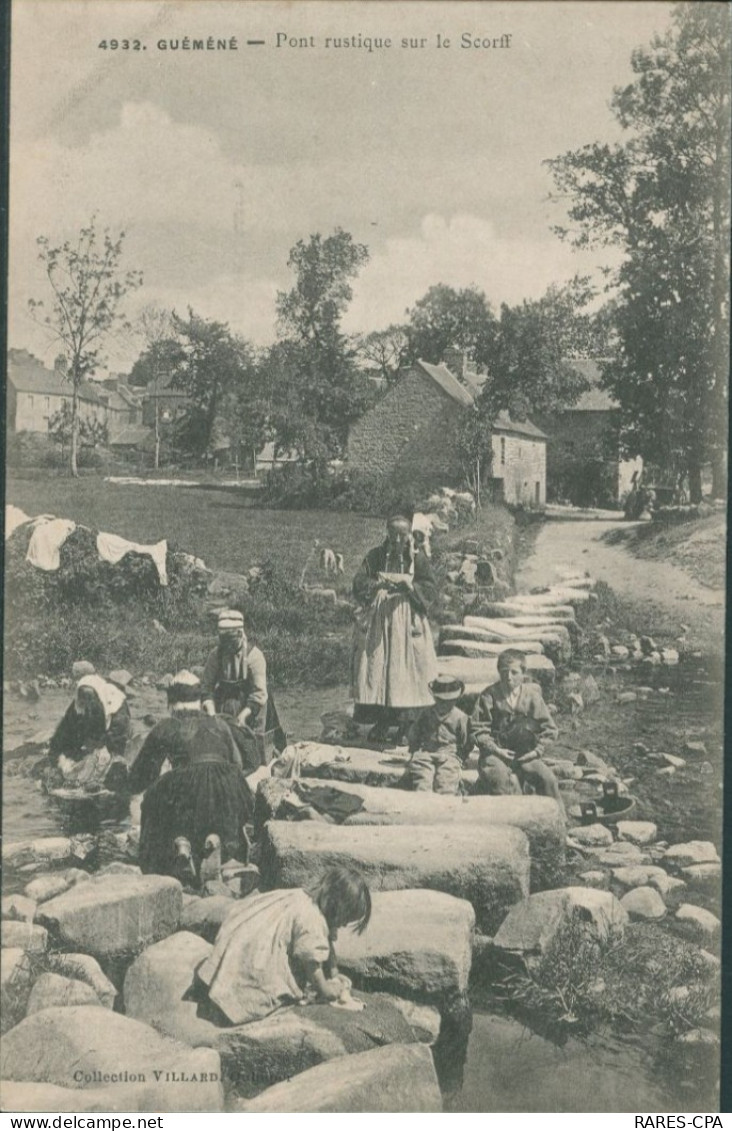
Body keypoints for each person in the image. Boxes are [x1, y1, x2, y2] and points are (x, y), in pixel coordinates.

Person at [197, 866, 372, 1025]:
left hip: (246, 939)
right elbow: (311, 961)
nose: (342, 925)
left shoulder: (307, 898)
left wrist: (334, 973)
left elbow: (328, 942)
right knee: (267, 987)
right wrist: (326, 989)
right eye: (345, 920)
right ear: (335, 907)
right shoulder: (312, 920)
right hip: (259, 957)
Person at [128, 670, 255, 878]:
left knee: (153, 797)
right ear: (199, 701)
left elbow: (143, 776)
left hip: (189, 792)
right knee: (205, 792)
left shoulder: (166, 727)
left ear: (171, 702)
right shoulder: (220, 724)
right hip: (230, 789)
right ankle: (215, 838)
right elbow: (238, 764)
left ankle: (177, 847)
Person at [351, 514, 439, 744]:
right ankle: (383, 720)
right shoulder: (376, 555)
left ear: (409, 535)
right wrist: (376, 584)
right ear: (387, 534)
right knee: (378, 669)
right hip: (380, 619)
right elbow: (359, 582)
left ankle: (406, 723)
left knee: (407, 669)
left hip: (407, 617)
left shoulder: (418, 559)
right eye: (393, 535)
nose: (398, 540)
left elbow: (430, 588)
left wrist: (410, 587)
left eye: (402, 535)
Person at [470, 648, 561, 802]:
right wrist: (496, 750)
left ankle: (557, 820)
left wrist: (535, 752)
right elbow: (478, 728)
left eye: (514, 672)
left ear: (523, 673)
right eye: (504, 672)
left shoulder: (532, 696)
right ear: (499, 671)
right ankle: (509, 821)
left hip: (525, 753)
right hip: (496, 753)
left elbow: (549, 729)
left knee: (547, 779)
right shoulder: (489, 695)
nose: (508, 677)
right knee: (501, 781)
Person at [201, 608, 286, 764]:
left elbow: (258, 694)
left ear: (240, 635)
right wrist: (212, 714)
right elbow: (206, 688)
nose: (227, 646)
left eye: (231, 642)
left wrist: (244, 716)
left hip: (252, 704)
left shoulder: (254, 656)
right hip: (225, 699)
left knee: (254, 746)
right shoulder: (215, 655)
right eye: (224, 642)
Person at [49, 674, 132, 788]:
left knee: (105, 765)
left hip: (113, 736)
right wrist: (56, 754)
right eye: (83, 696)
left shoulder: (114, 701)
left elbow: (120, 731)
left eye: (90, 696)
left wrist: (103, 746)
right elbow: (65, 729)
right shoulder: (78, 704)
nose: (87, 700)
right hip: (94, 736)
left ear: (98, 693)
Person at [400, 677, 473, 794]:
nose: (444, 704)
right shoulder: (426, 714)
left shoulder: (460, 717)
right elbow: (415, 733)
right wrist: (413, 750)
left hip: (449, 754)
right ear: (435, 698)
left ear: (455, 700)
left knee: (446, 780)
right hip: (427, 752)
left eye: (449, 701)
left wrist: (462, 757)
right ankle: (424, 799)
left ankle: (444, 801)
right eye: (440, 700)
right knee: (422, 777)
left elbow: (466, 741)